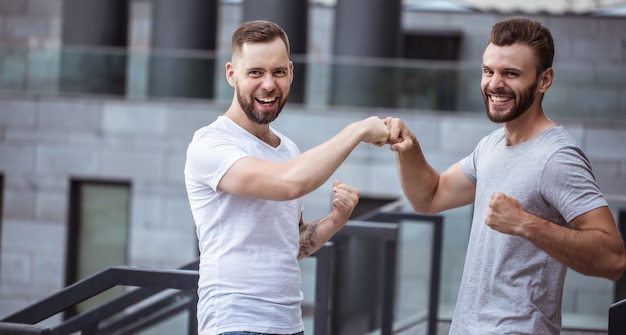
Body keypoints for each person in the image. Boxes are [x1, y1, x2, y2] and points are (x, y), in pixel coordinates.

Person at [385, 17, 626, 334]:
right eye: (488, 71)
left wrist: (525, 224)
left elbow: (613, 259)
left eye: (510, 74)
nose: (494, 84)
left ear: (544, 80)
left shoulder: (557, 157)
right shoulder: (492, 144)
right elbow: (429, 196)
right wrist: (409, 148)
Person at [184, 20, 389, 335]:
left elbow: (289, 244)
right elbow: (287, 183)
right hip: (235, 323)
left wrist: (335, 219)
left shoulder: (287, 149)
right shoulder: (211, 144)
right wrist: (357, 130)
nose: (268, 84)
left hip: (288, 324)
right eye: (255, 72)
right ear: (231, 74)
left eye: (278, 72)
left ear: (291, 73)